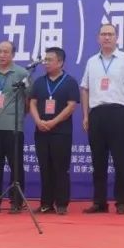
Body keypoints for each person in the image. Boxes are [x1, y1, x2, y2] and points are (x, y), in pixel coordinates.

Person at [79, 23, 124, 214]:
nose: (107, 37)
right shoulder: (92, 61)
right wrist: (86, 115)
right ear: (98, 38)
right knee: (98, 161)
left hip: (117, 112)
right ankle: (99, 202)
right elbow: (85, 88)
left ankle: (121, 202)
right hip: (96, 113)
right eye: (103, 34)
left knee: (120, 160)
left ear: (117, 38)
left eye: (111, 34)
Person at [29, 46, 80, 214]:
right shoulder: (39, 82)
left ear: (60, 62)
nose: (46, 63)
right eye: (45, 60)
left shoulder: (70, 82)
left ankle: (62, 203)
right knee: (45, 168)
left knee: (60, 168)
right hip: (41, 131)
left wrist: (53, 122)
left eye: (50, 60)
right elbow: (32, 103)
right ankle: (46, 203)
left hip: (61, 132)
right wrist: (38, 121)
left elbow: (71, 106)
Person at [0, 40, 30, 213]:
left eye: (6, 52)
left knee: (16, 166)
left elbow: (28, 99)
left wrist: (18, 114)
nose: (2, 55)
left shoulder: (22, 73)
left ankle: (16, 202)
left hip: (14, 127)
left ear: (13, 55)